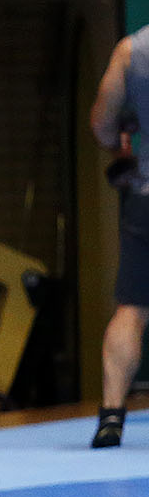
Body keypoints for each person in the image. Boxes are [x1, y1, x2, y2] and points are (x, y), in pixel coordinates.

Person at [87, 29, 149, 447]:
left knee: (132, 309)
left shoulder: (133, 50)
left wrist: (118, 146)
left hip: (147, 196)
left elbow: (101, 124)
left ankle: (111, 416)